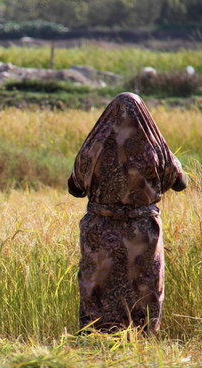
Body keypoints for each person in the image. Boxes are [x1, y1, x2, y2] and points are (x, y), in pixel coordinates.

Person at [67, 93, 187, 334]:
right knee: (143, 289)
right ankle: (140, 339)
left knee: (98, 290)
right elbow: (180, 182)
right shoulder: (155, 148)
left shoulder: (93, 147)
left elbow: (74, 188)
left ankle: (96, 339)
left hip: (101, 231)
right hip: (141, 234)